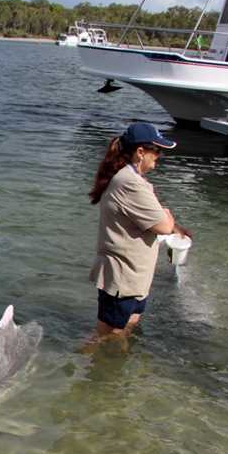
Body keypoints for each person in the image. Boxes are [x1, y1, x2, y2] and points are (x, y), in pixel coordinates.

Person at [88, 122, 190, 338]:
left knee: (126, 329)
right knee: (107, 338)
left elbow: (159, 219)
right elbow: (163, 226)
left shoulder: (134, 180)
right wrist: (169, 219)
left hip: (134, 278)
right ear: (140, 152)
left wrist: (168, 220)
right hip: (123, 279)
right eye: (157, 151)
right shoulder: (129, 182)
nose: (159, 156)